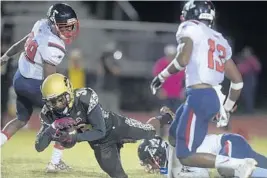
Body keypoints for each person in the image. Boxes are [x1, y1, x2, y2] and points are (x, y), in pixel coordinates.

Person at [150, 1, 257, 178]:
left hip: (199, 96)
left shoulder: (189, 27)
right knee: (175, 134)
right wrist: (227, 109)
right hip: (210, 97)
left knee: (186, 155)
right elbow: (238, 82)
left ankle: (238, 165)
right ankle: (173, 174)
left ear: (189, 15)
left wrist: (161, 76)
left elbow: (183, 59)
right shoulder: (219, 39)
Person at [35, 73, 173, 178]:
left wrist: (75, 137)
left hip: (114, 126)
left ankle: (167, 117)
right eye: (51, 102)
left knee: (148, 131)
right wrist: (51, 128)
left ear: (69, 92)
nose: (56, 105)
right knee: (118, 175)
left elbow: (100, 130)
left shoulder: (84, 97)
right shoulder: (49, 113)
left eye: (59, 99)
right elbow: (39, 146)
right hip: (100, 144)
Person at [0, 3, 80, 172]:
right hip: (36, 84)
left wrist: (5, 57)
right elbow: (49, 81)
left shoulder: (40, 25)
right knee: (66, 119)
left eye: (70, 25)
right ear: (54, 23)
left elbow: (22, 44)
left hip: (19, 79)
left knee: (21, 119)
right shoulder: (54, 45)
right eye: (64, 26)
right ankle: (55, 162)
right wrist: (58, 105)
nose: (69, 30)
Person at [138, 134, 267, 178]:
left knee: (226, 169)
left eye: (148, 161)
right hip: (233, 143)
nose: (149, 166)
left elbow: (202, 174)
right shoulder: (173, 151)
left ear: (156, 155)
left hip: (229, 143)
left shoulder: (177, 154)